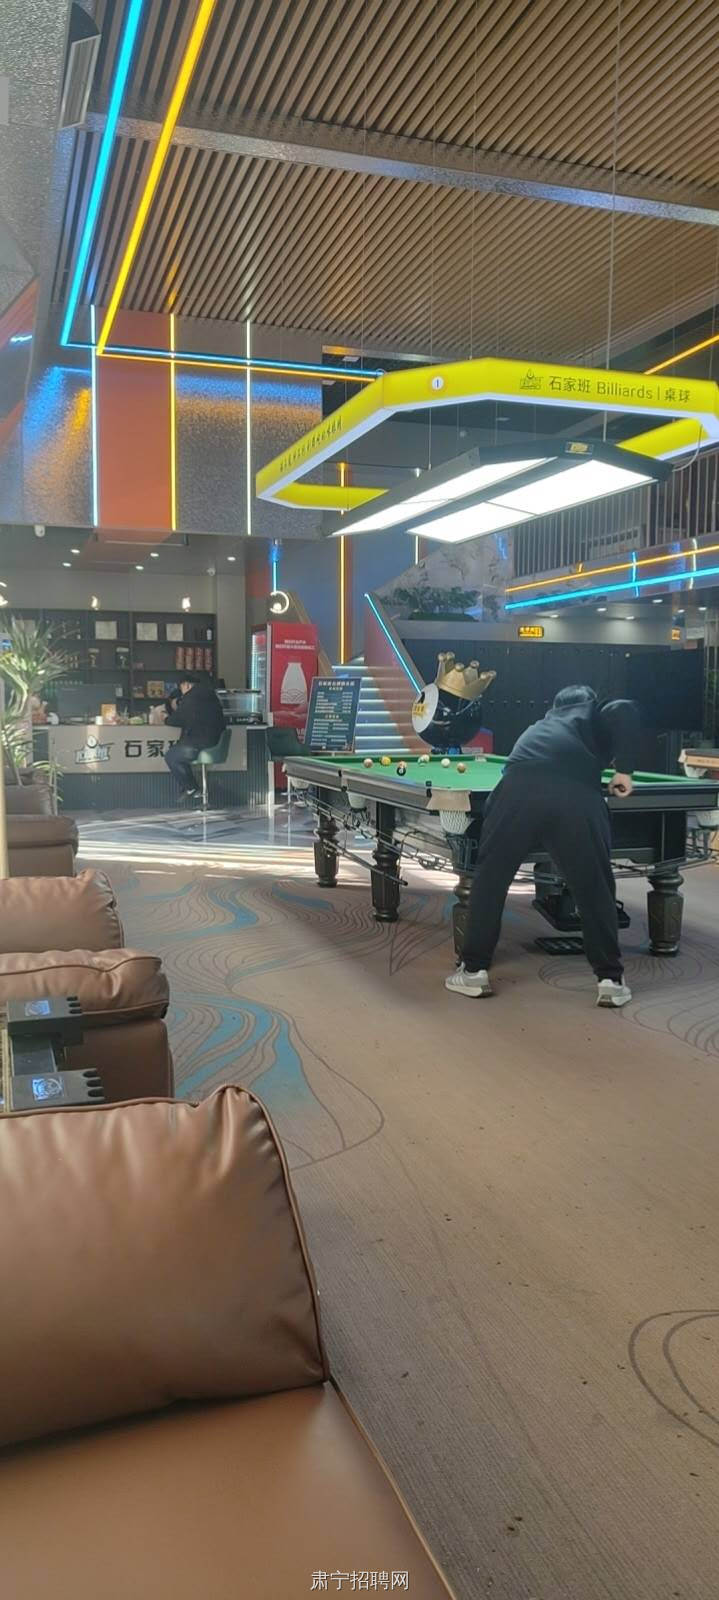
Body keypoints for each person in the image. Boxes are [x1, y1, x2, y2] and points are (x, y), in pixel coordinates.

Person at [446, 686, 639, 1009]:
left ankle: (473, 972)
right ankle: (610, 981)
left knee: (490, 882)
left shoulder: (539, 725)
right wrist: (625, 770)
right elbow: (624, 710)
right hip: (576, 793)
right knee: (594, 888)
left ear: (554, 707)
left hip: (516, 790)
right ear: (589, 701)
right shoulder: (592, 711)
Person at [163, 675, 225, 800]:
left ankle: (191, 788)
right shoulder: (210, 695)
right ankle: (192, 788)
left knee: (171, 756)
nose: (181, 690)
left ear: (186, 685)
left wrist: (166, 718)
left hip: (200, 742)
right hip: (213, 740)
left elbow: (178, 719)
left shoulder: (191, 698)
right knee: (176, 753)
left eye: (181, 687)